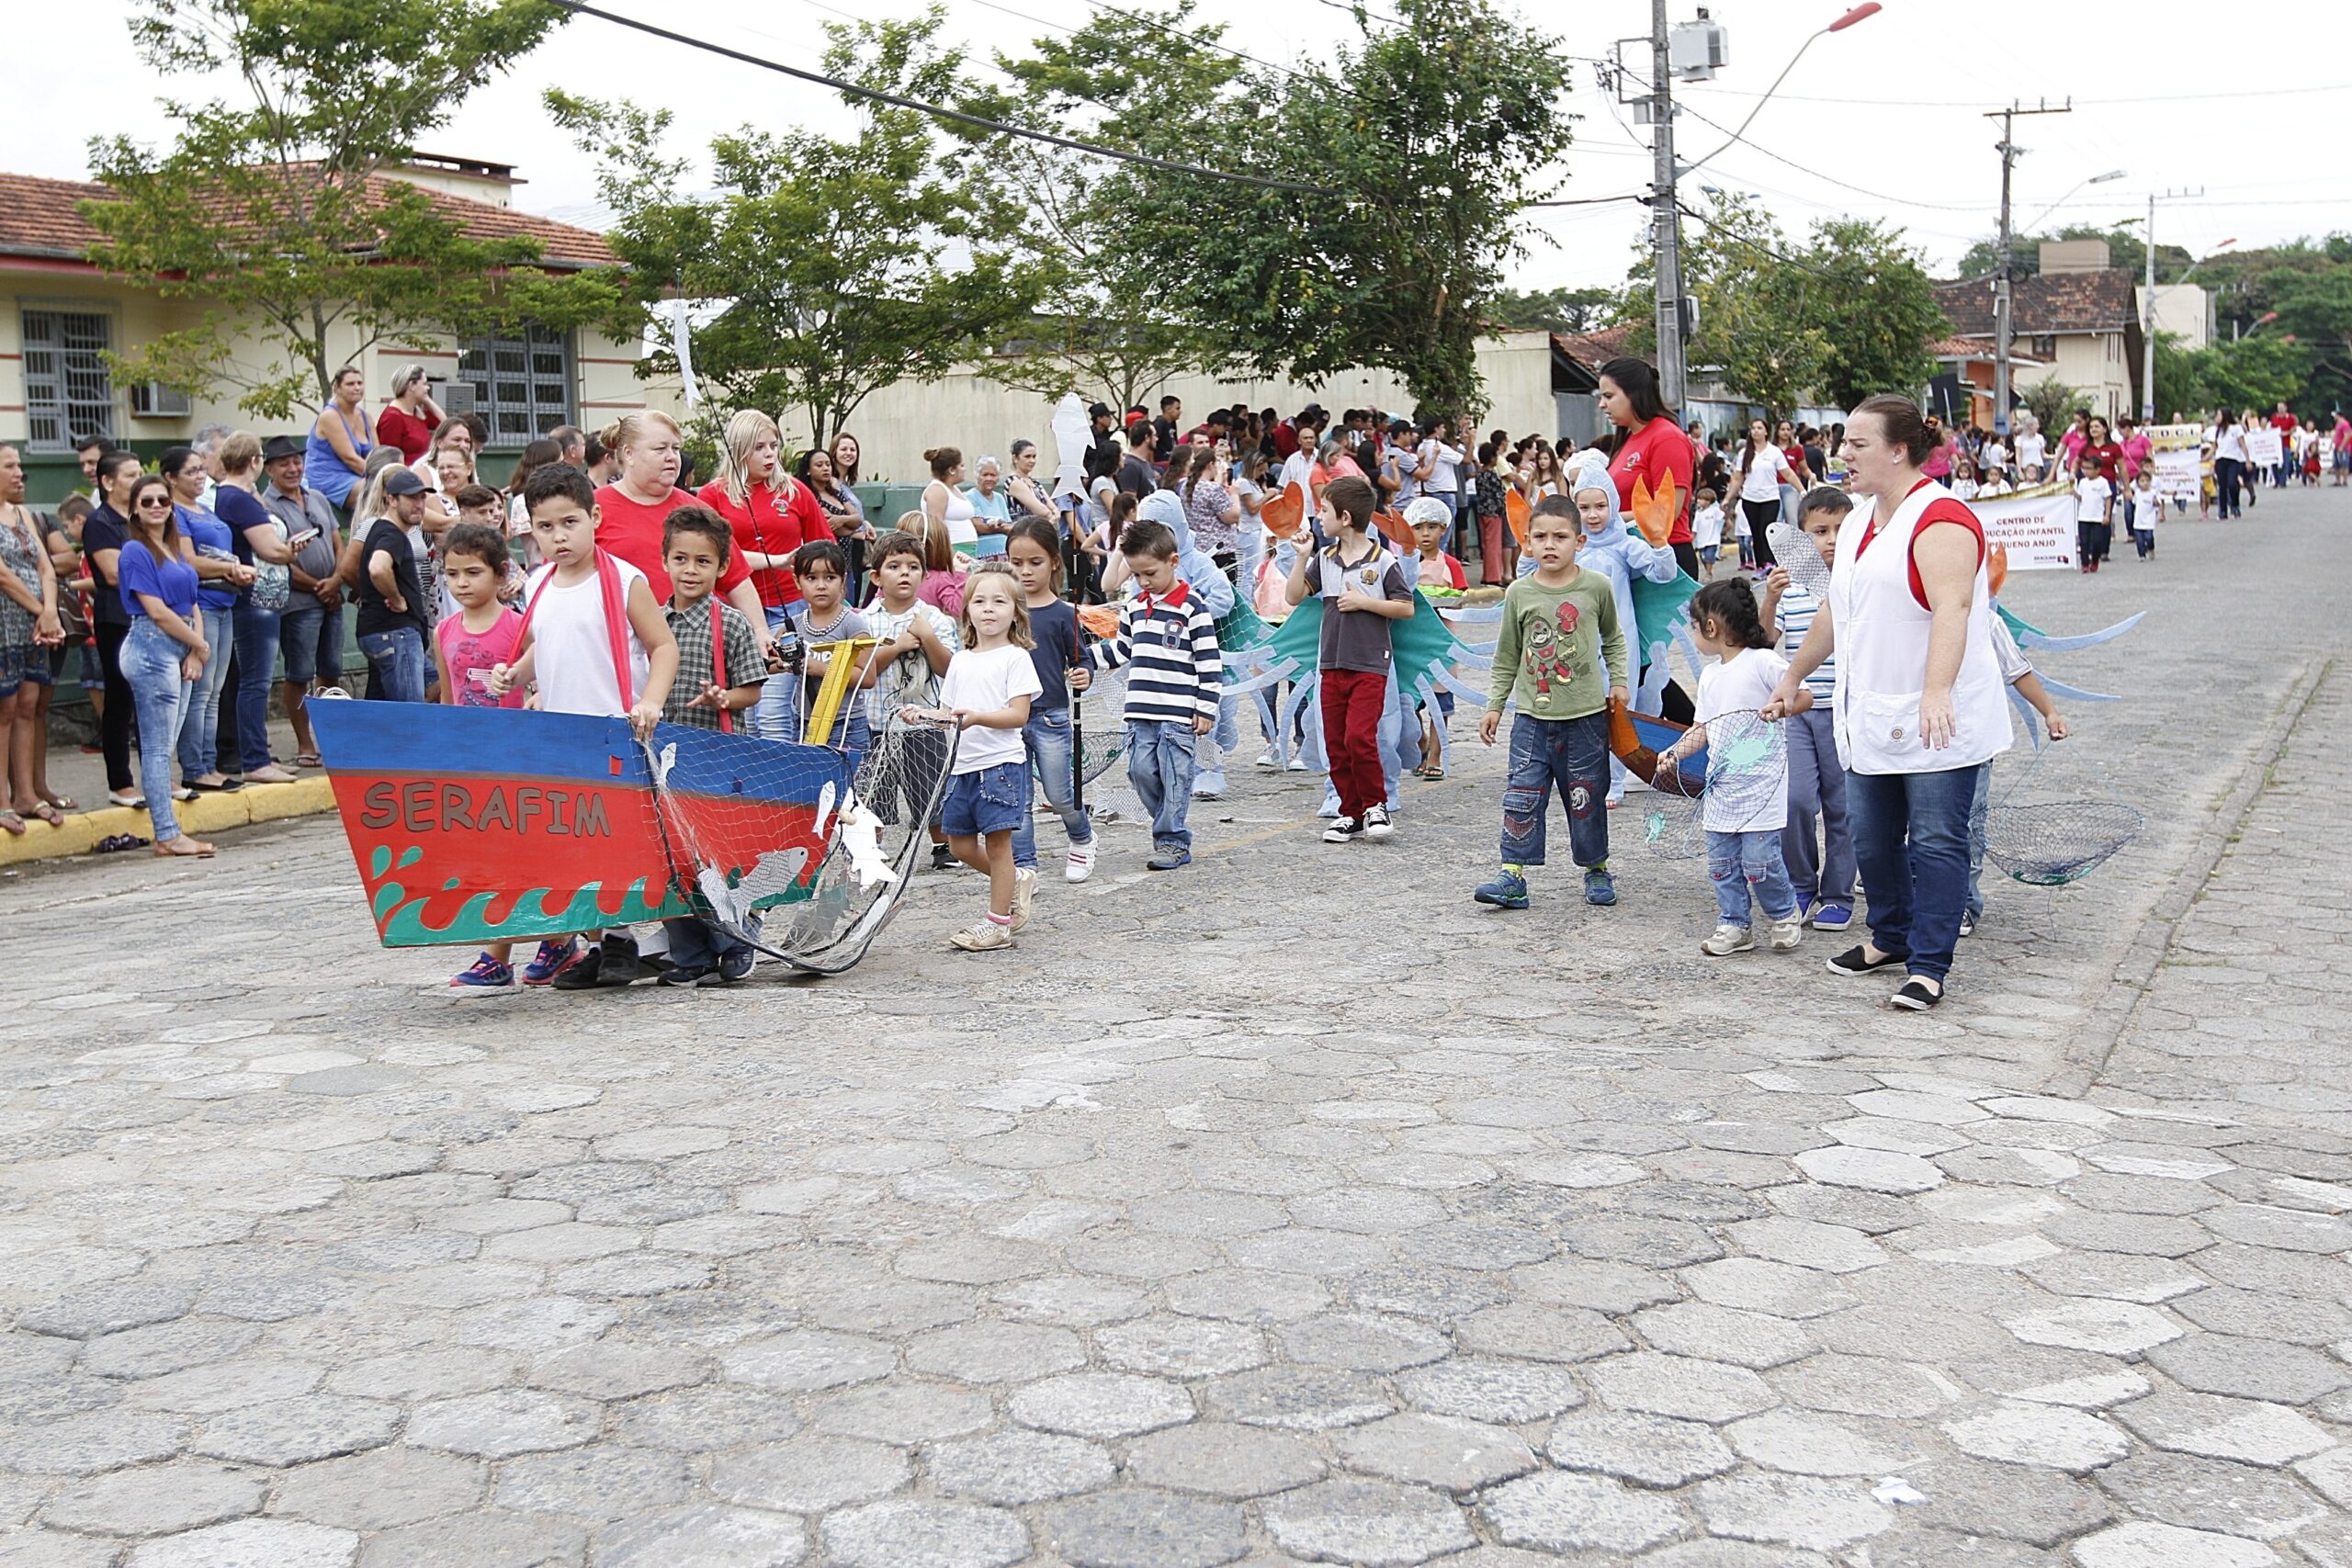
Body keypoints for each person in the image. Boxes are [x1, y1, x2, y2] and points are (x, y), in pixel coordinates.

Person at [1764, 394, 2010, 1011]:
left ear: (1898, 451)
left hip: (1934, 715)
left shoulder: (1941, 518)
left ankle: (1928, 964)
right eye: (1845, 443)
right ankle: (1889, 936)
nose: (1843, 453)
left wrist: (1935, 690)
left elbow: (1952, 608)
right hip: (1869, 713)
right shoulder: (1857, 523)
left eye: (1857, 443)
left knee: (1935, 839)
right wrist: (1793, 675)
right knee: (1871, 837)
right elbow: (1834, 612)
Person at [486, 463, 681, 989]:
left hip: (615, 732)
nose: (558, 537)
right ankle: (599, 941)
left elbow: (663, 646)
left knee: (620, 843)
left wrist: (651, 701)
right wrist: (516, 673)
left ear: (594, 517)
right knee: (575, 844)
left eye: (569, 523)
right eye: (545, 528)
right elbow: (544, 645)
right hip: (560, 738)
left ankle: (635, 941)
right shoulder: (540, 584)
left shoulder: (623, 581)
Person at [1472, 495, 1628, 913]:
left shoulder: (1596, 587)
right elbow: (1507, 655)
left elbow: (1613, 638)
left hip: (1586, 720)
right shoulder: (1520, 593)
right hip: (1531, 721)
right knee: (1521, 795)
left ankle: (1596, 867)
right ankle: (1512, 876)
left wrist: (1621, 684)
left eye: (1560, 536)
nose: (1550, 545)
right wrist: (1494, 705)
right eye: (1540, 537)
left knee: (1587, 796)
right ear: (1526, 542)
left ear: (1580, 541)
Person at [654, 505, 769, 986]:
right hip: (664, 762)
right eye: (681, 559)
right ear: (665, 561)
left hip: (717, 757)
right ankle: (690, 953)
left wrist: (726, 696)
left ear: (721, 567)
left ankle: (737, 940)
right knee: (671, 857)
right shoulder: (654, 621)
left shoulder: (732, 623)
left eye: (702, 562)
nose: (690, 570)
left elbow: (753, 689)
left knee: (718, 855)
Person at [1657, 580, 1801, 956]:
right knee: (1721, 861)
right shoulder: (1710, 676)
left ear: (1711, 628)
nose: (1694, 633)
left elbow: (1803, 695)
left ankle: (1785, 914)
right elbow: (1702, 727)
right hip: (1722, 787)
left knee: (1760, 861)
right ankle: (1734, 923)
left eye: (1694, 625)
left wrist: (1783, 706)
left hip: (1762, 785)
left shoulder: (1763, 661)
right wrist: (1674, 752)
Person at [1089, 519, 1221, 871]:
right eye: (1136, 575)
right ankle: (1168, 822)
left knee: (1176, 775)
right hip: (1140, 712)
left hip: (1179, 714)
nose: (1144, 582)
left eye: (1150, 573)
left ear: (1173, 561)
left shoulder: (1193, 607)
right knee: (1140, 772)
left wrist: (1205, 708)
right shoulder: (1134, 607)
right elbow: (1120, 651)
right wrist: (1086, 658)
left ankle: (1172, 840)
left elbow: (1209, 662)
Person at [1286, 476, 1409, 844]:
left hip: (1370, 664)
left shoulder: (1383, 560)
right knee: (1336, 742)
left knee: (1360, 737)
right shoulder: (1324, 559)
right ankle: (1349, 811)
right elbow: (1294, 597)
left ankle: (1375, 804)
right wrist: (1302, 557)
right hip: (1331, 665)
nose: (1317, 517)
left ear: (1343, 517)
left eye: (1323, 510)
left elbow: (1405, 607)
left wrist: (1365, 603)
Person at [1758, 488, 1858, 933]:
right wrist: (1770, 600)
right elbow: (1762, 645)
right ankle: (1801, 882)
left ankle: (1838, 894)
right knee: (1796, 800)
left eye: (1842, 529)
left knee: (1844, 806)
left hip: (1846, 711)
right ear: (1801, 537)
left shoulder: (1861, 583)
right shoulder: (1792, 587)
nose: (1832, 539)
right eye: (1820, 531)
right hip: (1798, 711)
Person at [435, 523, 529, 988]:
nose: (462, 583)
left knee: (523, 854)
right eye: (452, 574)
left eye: (473, 572)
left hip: (518, 758)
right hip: (473, 760)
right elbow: (449, 697)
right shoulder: (444, 630)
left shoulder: (518, 627)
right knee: (492, 857)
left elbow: (537, 686)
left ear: (500, 574)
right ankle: (502, 953)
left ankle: (547, 944)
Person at [594, 413, 764, 648]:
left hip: (697, 647)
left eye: (675, 449)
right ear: (628, 453)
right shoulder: (593, 510)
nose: (672, 458)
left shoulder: (698, 510)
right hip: (620, 648)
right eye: (660, 449)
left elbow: (736, 578)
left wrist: (760, 631)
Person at [697, 410, 817, 740]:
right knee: (743, 705)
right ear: (739, 449)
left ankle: (779, 784)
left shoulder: (794, 491)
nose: (769, 454)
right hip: (734, 612)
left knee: (774, 709)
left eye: (774, 446)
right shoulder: (712, 494)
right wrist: (774, 560)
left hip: (788, 608)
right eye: (759, 447)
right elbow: (717, 553)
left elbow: (823, 548)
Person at [116, 476, 217, 856]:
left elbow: (192, 603)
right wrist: (200, 645)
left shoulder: (173, 548)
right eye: (147, 501)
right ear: (136, 510)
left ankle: (169, 832)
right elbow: (156, 612)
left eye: (163, 499)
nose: (156, 505)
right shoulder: (134, 550)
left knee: (165, 748)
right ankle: (167, 834)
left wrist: (195, 650)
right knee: (157, 749)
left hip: (183, 646)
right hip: (151, 649)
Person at [1005, 517, 1096, 886]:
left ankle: (1083, 837)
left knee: (1060, 793)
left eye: (1035, 562)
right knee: (1017, 799)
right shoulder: (1003, 610)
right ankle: (1024, 867)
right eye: (1017, 562)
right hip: (1009, 717)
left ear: (1055, 562)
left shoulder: (1063, 614)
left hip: (1052, 716)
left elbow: (1083, 660)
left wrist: (1082, 675)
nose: (1025, 571)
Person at [862, 530, 959, 869]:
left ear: (924, 574)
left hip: (924, 722)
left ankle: (942, 844)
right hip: (876, 722)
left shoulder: (934, 618)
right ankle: (871, 849)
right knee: (874, 791)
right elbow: (863, 670)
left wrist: (927, 637)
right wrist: (898, 646)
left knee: (929, 785)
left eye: (913, 566)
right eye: (894, 566)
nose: (904, 573)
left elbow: (949, 668)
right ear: (876, 576)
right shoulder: (864, 621)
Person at [160, 446, 255, 790]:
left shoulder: (204, 509)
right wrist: (232, 568)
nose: (200, 476)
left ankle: (208, 763)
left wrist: (232, 571)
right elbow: (188, 559)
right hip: (201, 604)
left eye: (202, 469)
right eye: (191, 471)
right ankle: (194, 766)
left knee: (215, 690)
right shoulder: (175, 514)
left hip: (225, 600)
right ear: (170, 478)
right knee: (200, 690)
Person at [259, 434, 346, 767]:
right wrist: (317, 587)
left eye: (297, 461)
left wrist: (336, 580)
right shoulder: (265, 506)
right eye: (284, 463)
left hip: (332, 597)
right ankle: (305, 743)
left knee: (331, 669)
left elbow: (338, 542)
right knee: (300, 672)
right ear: (269, 469)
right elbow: (277, 559)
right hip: (298, 602)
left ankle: (332, 738)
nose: (293, 468)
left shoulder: (318, 498)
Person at [0, 446, 65, 833]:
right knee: (4, 709)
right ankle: (2, 799)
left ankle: (25, 793)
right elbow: (4, 575)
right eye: (9, 466)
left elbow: (45, 566)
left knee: (28, 703)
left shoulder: (22, 513)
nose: (18, 473)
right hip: (7, 622)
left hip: (36, 622)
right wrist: (40, 611)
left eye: (19, 466)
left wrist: (50, 609)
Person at [84, 450, 148, 806]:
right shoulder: (100, 521)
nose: (137, 480)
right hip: (117, 618)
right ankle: (120, 781)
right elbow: (112, 573)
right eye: (129, 475)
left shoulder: (143, 517)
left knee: (152, 701)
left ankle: (155, 775)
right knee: (120, 699)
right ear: (108, 482)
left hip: (149, 618)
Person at [1598, 357, 1697, 578]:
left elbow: (1667, 512)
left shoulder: (1666, 438)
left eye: (1609, 396)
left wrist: (1604, 518)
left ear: (1633, 394)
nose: (1602, 404)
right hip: (1632, 556)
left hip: (1665, 559)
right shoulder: (1628, 439)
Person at [354, 468, 434, 702]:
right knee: (408, 713)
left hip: (387, 633)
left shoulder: (383, 530)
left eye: (422, 497)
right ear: (391, 500)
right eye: (411, 498)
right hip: (395, 633)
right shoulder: (392, 534)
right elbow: (378, 568)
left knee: (438, 684)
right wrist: (398, 599)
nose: (419, 504)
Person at [1732, 419, 1794, 572]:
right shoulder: (1744, 453)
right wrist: (1728, 498)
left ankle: (1770, 562)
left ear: (1766, 431)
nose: (1756, 431)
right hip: (1750, 498)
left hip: (1770, 498)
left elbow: (1787, 472)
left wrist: (1801, 489)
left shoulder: (1774, 452)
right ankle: (1760, 565)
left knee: (1766, 530)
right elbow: (1738, 477)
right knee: (1756, 532)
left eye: (1759, 428)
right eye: (1753, 428)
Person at [376, 365, 445, 467]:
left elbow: (444, 424)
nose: (428, 388)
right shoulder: (393, 418)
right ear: (412, 385)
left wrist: (427, 400)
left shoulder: (417, 414)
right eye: (425, 384)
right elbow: (389, 460)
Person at [922, 447, 981, 560]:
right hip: (953, 552)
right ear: (952, 470)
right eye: (962, 465)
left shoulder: (953, 489)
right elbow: (936, 530)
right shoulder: (937, 490)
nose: (965, 469)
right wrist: (948, 557)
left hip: (967, 551)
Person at [2072, 453, 2115, 575]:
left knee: (2096, 542)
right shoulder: (2083, 482)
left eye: (2089, 468)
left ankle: (2095, 560)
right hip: (2084, 517)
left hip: (2097, 518)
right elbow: (2081, 497)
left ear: (2097, 469)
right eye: (2084, 468)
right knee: (2084, 542)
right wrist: (2074, 494)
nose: (2085, 471)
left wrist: (2107, 515)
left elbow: (2107, 498)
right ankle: (2085, 564)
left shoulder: (2103, 482)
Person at [964, 456, 1012, 558]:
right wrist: (1002, 529)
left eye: (993, 475)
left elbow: (1009, 525)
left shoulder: (999, 498)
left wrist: (999, 527)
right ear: (977, 476)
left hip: (1003, 552)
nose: (989, 478)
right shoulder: (970, 497)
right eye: (985, 475)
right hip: (982, 555)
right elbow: (980, 527)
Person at [2211, 410, 2248, 520]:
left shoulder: (2236, 429)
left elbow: (2243, 445)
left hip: (2233, 460)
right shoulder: (2217, 431)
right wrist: (2204, 459)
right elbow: (2214, 448)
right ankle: (2222, 511)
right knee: (2222, 486)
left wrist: (2247, 460)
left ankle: (2235, 505)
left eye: (2218, 415)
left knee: (2232, 483)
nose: (2216, 417)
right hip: (2220, 460)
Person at [1691, 487, 1725, 581]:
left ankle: (1708, 573)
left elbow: (1723, 517)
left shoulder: (1714, 510)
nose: (1699, 501)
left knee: (1709, 556)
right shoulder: (1698, 513)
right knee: (1703, 557)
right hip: (1702, 540)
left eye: (1702, 499)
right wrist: (1693, 536)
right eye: (1699, 499)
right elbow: (1695, 526)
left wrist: (1725, 510)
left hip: (1712, 539)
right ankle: (1708, 571)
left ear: (1709, 501)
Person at [2127, 466, 2160, 560]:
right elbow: (2133, 502)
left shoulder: (2153, 493)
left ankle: (2151, 548)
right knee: (2139, 540)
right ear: (2138, 483)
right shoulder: (2137, 493)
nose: (2145, 483)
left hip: (2149, 519)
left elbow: (2157, 503)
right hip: (2138, 520)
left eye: (2147, 481)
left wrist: (2156, 502)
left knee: (2149, 537)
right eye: (2142, 481)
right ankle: (2141, 555)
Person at [2013, 417, 2048, 484]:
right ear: (2031, 426)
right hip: (2025, 467)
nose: (2038, 427)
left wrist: (2055, 456)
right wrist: (2019, 471)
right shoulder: (2020, 439)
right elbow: (2018, 455)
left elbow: (2043, 454)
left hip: (2038, 467)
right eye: (2036, 424)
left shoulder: (2040, 438)